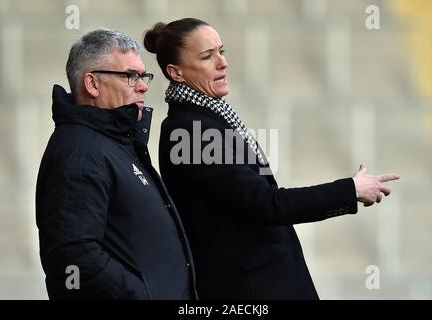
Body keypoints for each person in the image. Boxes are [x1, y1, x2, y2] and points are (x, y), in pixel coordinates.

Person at [143, 18, 400, 300]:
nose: (222, 63)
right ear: (176, 72)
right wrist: (350, 191)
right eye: (207, 56)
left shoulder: (205, 118)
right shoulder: (191, 131)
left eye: (221, 51)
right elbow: (267, 203)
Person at [35, 29, 197, 299]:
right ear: (92, 84)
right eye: (130, 76)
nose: (143, 85)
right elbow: (74, 258)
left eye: (143, 76)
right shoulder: (82, 151)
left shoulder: (114, 143)